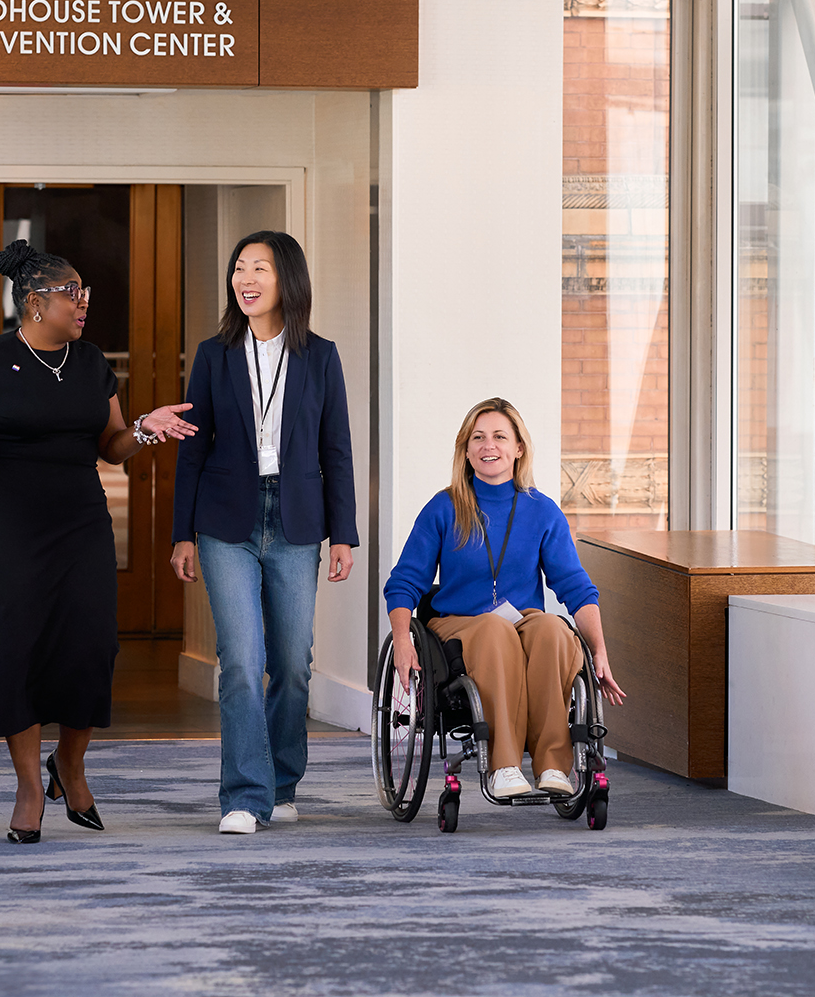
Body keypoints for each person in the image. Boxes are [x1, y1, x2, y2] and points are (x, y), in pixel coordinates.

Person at [0, 241, 195, 844]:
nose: (83, 304)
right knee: (15, 649)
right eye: (71, 294)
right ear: (33, 302)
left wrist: (142, 429)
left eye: (85, 294)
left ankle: (71, 762)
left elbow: (110, 444)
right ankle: (30, 785)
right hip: (7, 524)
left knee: (90, 646)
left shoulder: (90, 364)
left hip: (80, 521)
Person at [170, 231, 358, 835]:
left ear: (288, 281)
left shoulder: (320, 356)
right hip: (228, 522)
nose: (245, 279)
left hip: (298, 521)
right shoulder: (213, 354)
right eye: (239, 269)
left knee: (293, 664)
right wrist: (183, 534)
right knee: (242, 661)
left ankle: (281, 779)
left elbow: (338, 450)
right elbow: (192, 452)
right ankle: (244, 796)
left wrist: (345, 533)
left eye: (259, 269)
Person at [382, 397, 626, 798]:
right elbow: (405, 581)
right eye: (477, 437)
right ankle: (504, 765)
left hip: (522, 622)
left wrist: (598, 650)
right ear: (466, 450)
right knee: (495, 630)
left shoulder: (542, 511)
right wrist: (405, 640)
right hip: (458, 621)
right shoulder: (444, 508)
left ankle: (553, 766)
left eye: (499, 436)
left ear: (518, 449)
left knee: (552, 629)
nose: (487, 445)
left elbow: (576, 587)